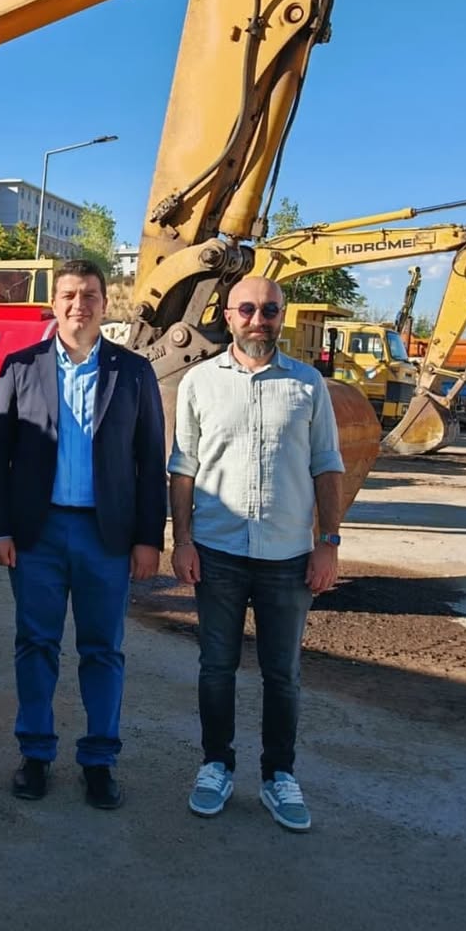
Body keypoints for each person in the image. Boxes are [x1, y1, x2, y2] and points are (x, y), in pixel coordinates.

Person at [0, 259, 167, 809]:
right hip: (36, 535)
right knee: (36, 644)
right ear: (54, 302)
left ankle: (99, 760)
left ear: (105, 304)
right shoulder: (20, 367)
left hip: (105, 537)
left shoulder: (133, 372)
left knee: (102, 650)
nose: (78, 304)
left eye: (89, 295)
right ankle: (35, 754)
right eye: (68, 294)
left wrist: (149, 538)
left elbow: (149, 459)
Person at [168, 275, 344, 833]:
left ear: (281, 316)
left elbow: (327, 465)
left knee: (282, 673)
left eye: (270, 310)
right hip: (217, 552)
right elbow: (183, 467)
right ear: (227, 315)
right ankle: (216, 765)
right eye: (247, 309)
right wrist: (183, 540)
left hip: (288, 557)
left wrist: (329, 543)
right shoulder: (199, 382)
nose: (258, 319)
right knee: (216, 667)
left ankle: (278, 775)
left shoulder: (307, 384)